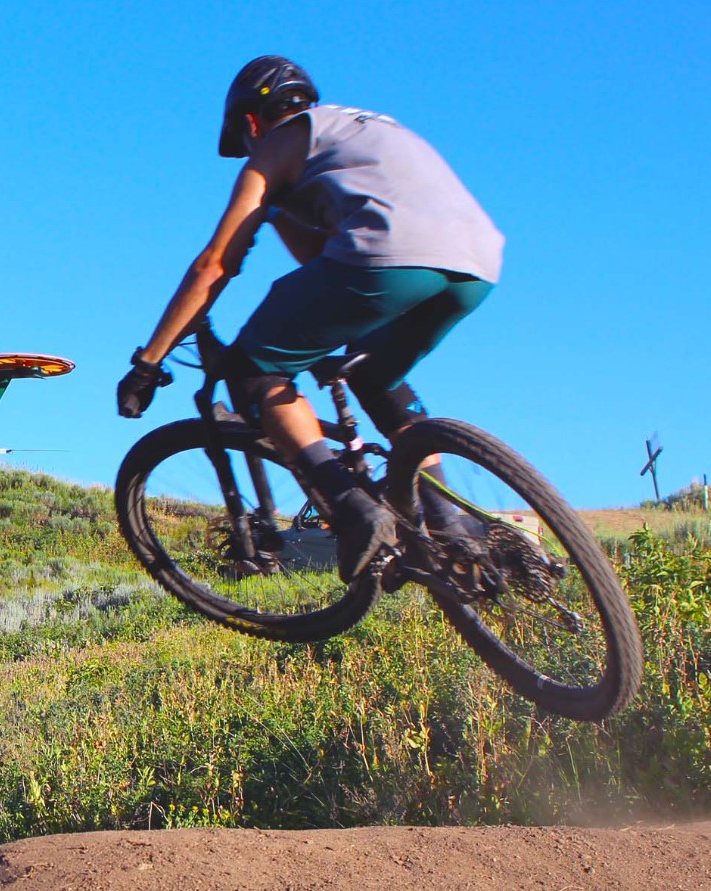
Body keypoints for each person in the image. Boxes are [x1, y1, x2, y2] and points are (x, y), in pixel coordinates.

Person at [117, 55, 504, 580]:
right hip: (477, 261)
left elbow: (216, 265)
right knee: (371, 372)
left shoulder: (277, 144)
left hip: (387, 255)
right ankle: (446, 517)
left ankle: (351, 508)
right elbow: (322, 261)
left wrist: (149, 362)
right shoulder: (366, 130)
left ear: (252, 123)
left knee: (255, 369)